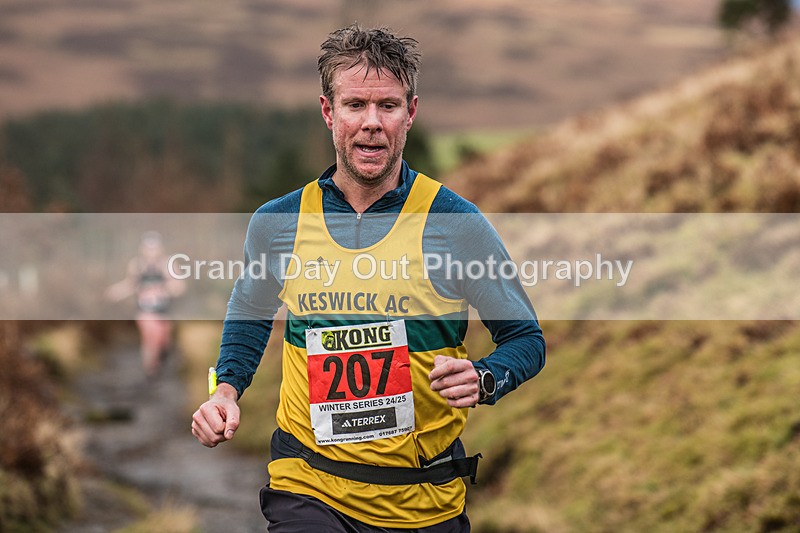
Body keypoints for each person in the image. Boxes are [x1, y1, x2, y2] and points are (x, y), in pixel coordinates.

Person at [191, 24, 545, 532]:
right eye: (355, 105)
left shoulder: (455, 223)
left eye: (388, 106)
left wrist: (486, 377)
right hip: (307, 486)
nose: (372, 123)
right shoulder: (279, 223)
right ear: (328, 112)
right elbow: (248, 312)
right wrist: (226, 390)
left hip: (421, 502)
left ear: (412, 113)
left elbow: (526, 339)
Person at [106, 231, 183, 377]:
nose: (151, 251)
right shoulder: (137, 265)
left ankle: (160, 360)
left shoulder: (168, 264)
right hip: (144, 309)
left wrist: (167, 290)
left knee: (163, 338)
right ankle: (150, 369)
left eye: (154, 248)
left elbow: (178, 285)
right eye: (148, 248)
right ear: (143, 249)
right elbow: (130, 284)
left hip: (163, 310)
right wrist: (116, 292)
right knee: (150, 336)